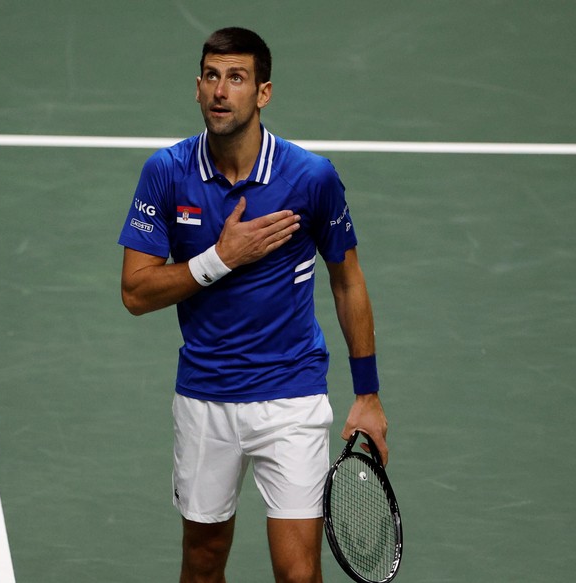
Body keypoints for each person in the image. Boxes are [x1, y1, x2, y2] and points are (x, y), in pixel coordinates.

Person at [118, 27, 388, 583]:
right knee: (202, 562)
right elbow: (135, 293)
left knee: (297, 574)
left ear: (262, 93)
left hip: (290, 396)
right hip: (205, 398)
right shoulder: (165, 174)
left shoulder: (311, 178)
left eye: (236, 78)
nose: (222, 91)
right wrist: (221, 257)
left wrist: (368, 393)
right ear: (197, 88)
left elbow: (348, 281)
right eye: (212, 77)